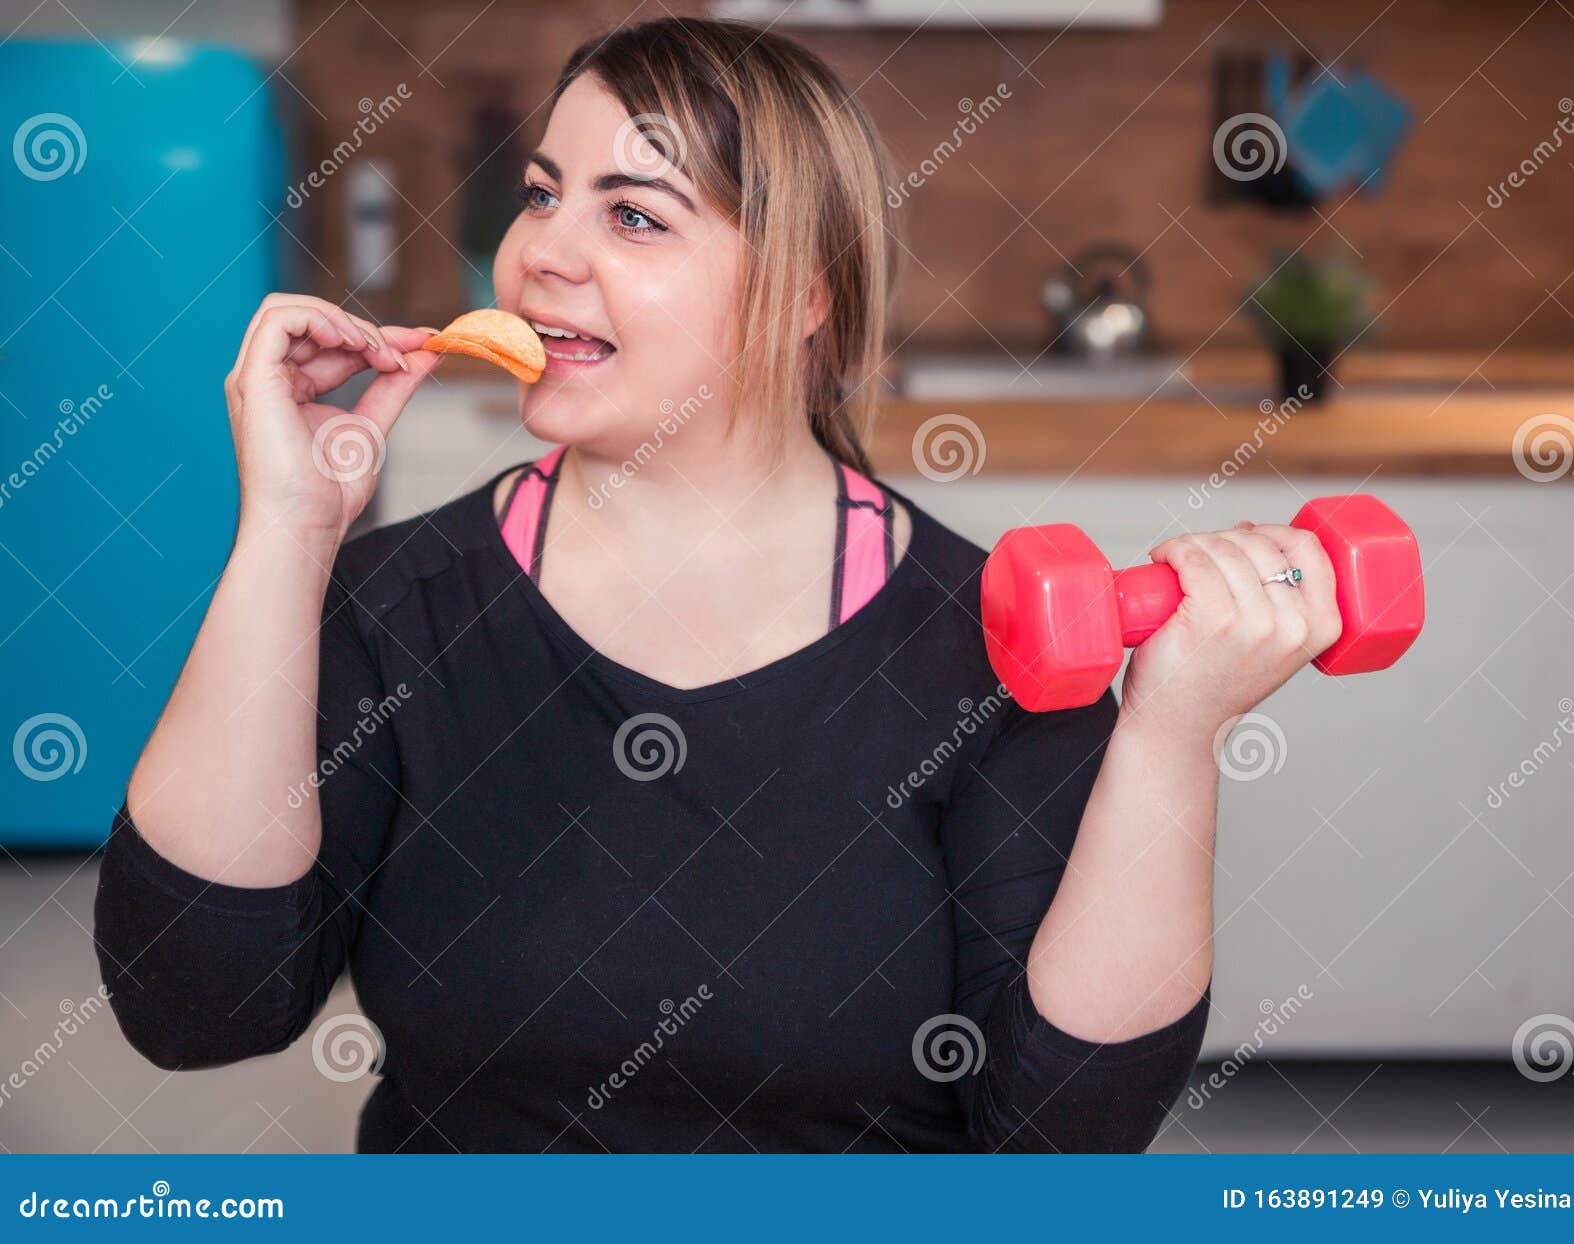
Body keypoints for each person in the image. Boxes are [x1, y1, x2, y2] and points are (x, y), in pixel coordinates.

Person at [93, 17, 1340, 1153]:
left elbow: (1065, 1134)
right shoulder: (394, 598)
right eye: (542, 195)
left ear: (806, 291)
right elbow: (194, 1004)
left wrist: (1172, 734)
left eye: (633, 214)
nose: (536, 257)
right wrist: (284, 534)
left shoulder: (991, 644)